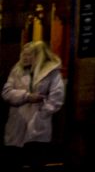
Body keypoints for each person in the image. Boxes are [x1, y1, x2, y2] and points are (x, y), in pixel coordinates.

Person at [3, 40, 66, 170]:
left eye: (29, 54)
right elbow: (7, 92)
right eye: (23, 54)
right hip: (17, 125)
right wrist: (26, 96)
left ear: (39, 55)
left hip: (38, 127)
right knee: (13, 160)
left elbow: (57, 97)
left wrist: (42, 113)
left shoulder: (51, 73)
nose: (24, 57)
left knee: (36, 161)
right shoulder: (17, 70)